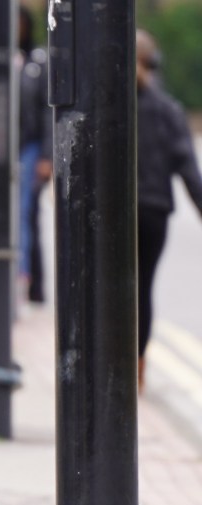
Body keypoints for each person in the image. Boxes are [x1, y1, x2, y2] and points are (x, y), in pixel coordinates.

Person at [135, 29, 202, 391]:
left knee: (108, 290)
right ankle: (138, 368)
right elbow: (189, 168)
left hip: (112, 217)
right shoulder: (168, 110)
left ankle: (109, 361)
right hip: (154, 212)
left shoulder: (105, 109)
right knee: (142, 288)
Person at [17, 5, 52, 303]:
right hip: (1, 149)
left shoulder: (38, 62)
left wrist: (47, 156)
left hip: (30, 148)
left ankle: (27, 279)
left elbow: (45, 112)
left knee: (25, 212)